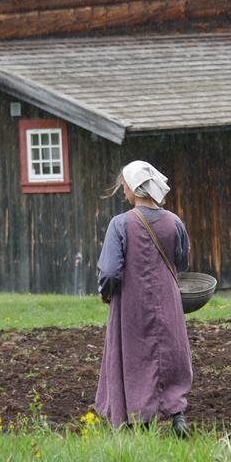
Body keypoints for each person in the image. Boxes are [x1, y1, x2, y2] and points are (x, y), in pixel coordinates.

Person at [95, 160, 193, 437]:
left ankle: (142, 421)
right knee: (169, 354)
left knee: (136, 357)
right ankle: (177, 416)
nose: (123, 191)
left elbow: (111, 271)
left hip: (131, 303)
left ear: (132, 188)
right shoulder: (174, 221)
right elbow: (182, 261)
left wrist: (106, 293)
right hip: (168, 299)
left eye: (124, 186)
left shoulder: (120, 224)